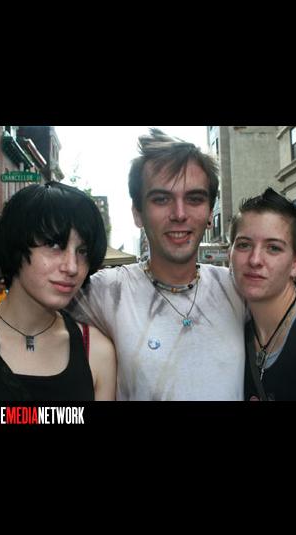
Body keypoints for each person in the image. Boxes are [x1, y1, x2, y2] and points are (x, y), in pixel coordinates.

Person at [68, 128, 246, 400]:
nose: (179, 214)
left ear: (211, 212)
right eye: (161, 199)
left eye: (194, 199)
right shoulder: (106, 293)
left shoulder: (239, 289)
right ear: (137, 213)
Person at [0, 182, 117, 401]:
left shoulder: (96, 351)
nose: (72, 267)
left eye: (82, 251)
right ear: (16, 243)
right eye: (54, 245)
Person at [229, 187, 296, 401]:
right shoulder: (235, 331)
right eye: (244, 245)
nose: (255, 260)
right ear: (230, 254)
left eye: (273, 248)